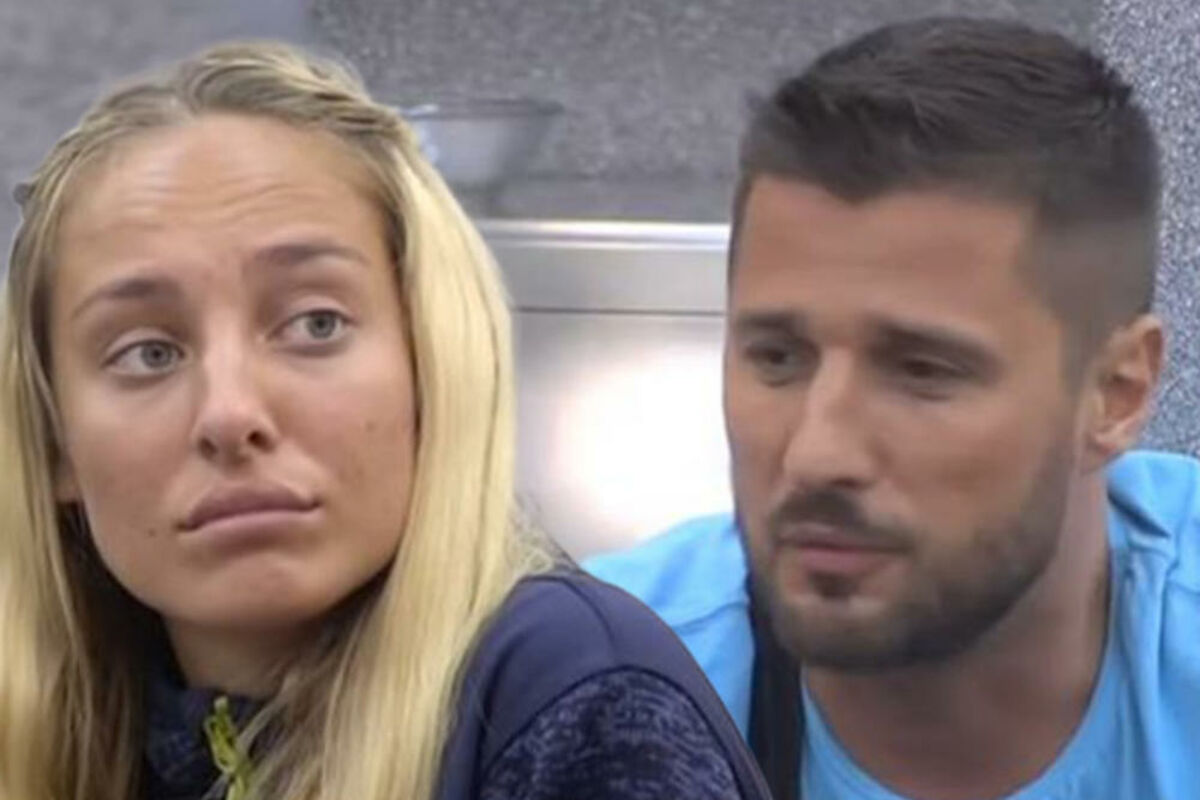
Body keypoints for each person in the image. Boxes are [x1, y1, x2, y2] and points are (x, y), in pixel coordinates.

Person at [0, 41, 772, 800]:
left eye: (316, 324)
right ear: (56, 441)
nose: (231, 414)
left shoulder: (576, 710)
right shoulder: (64, 723)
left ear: (430, 365)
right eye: (149, 354)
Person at [588, 16, 1199, 800]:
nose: (817, 455)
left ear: (1116, 394)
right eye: (777, 358)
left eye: (922, 371)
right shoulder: (596, 691)